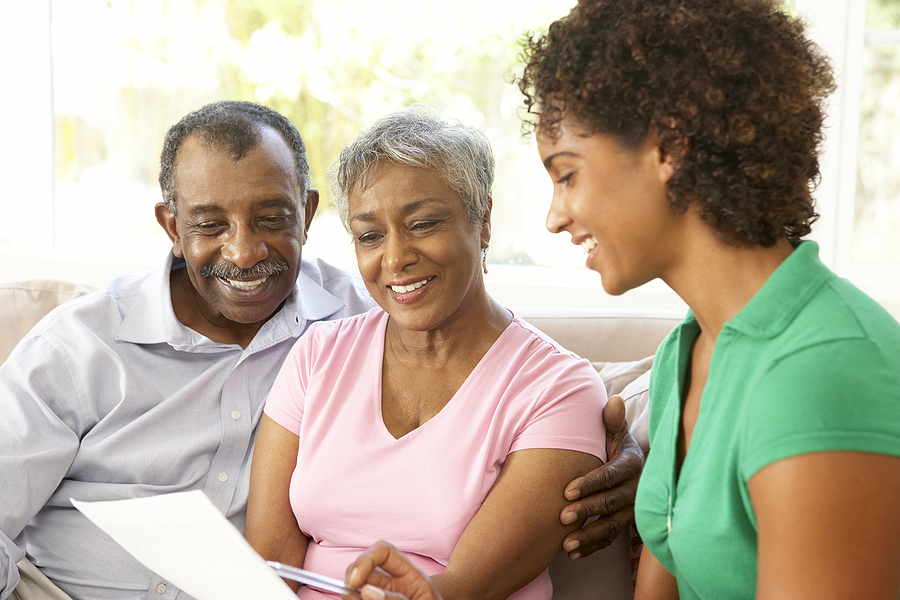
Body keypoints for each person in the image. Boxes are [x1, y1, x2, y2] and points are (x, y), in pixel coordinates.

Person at [517, 0, 900, 598]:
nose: (555, 217)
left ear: (669, 146)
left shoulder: (823, 366)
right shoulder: (684, 355)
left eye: (567, 175)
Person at [0, 100, 376, 600]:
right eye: (210, 226)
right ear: (173, 228)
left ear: (306, 214)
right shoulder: (78, 345)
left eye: (270, 219)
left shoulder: (366, 322)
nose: (244, 253)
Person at [245, 105, 611, 600]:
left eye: (422, 224)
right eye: (370, 236)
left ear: (482, 221)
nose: (395, 258)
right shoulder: (317, 356)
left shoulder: (556, 389)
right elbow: (268, 565)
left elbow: (466, 587)